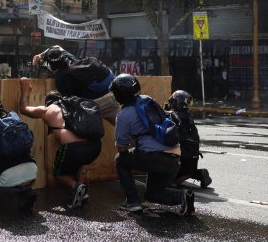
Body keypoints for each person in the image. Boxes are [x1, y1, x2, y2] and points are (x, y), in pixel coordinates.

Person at [111, 74, 195, 215]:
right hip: (175, 158)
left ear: (119, 95)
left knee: (120, 159)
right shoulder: (147, 100)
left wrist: (135, 145)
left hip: (155, 158)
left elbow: (122, 148)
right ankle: (184, 197)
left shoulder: (123, 114)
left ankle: (132, 202)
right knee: (152, 194)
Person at [17, 80, 101, 209]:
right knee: (79, 165)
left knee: (59, 174)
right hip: (95, 146)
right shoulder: (75, 107)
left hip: (74, 148)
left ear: (48, 102)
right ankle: (82, 194)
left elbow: (24, 109)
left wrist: (25, 91)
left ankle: (76, 187)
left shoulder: (48, 110)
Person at [32, 45, 119, 125]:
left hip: (93, 105)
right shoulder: (72, 60)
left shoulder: (61, 79)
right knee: (127, 129)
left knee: (75, 131)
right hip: (111, 97)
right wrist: (41, 55)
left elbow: (69, 101)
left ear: (50, 66)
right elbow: (57, 47)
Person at [165, 90, 212, 188]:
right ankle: (195, 173)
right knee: (180, 176)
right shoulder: (189, 117)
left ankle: (178, 178)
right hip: (193, 160)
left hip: (178, 160)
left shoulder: (171, 116)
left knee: (166, 182)